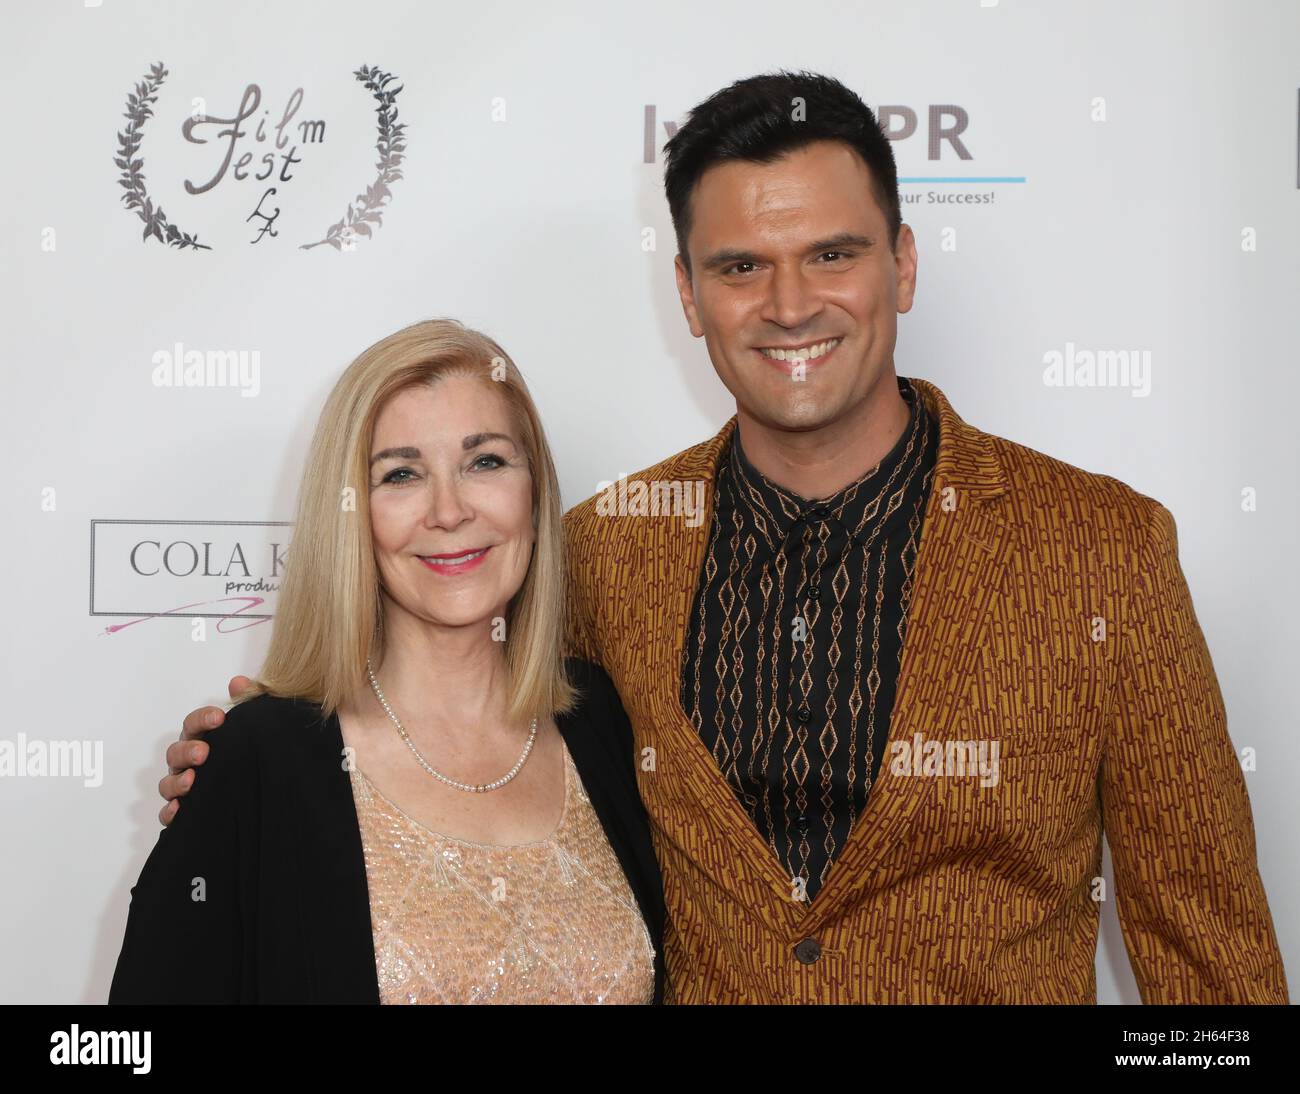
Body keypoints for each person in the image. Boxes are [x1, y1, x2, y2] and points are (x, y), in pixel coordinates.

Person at [153, 71, 1288, 1004]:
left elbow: (1210, 967)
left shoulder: (1101, 551)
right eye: (741, 266)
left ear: (900, 263)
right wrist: (263, 770)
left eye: (832, 255)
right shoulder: (600, 553)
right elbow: (448, 730)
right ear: (690, 294)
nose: (788, 304)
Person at [111, 319, 665, 1004]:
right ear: (350, 514)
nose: (449, 510)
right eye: (401, 474)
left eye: (485, 461)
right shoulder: (259, 760)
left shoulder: (601, 719)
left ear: (535, 489)